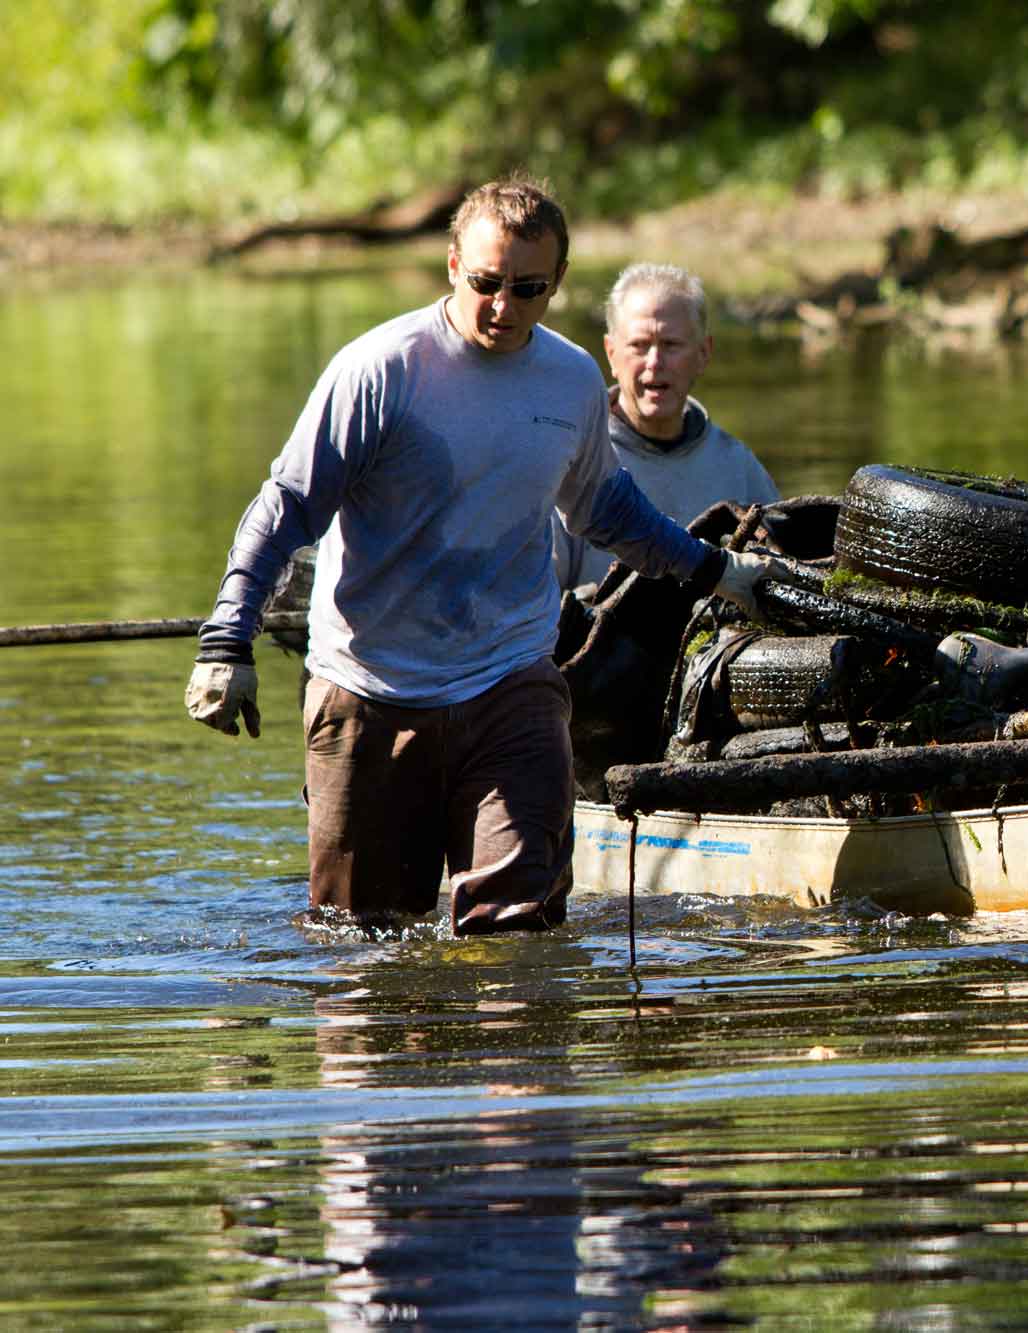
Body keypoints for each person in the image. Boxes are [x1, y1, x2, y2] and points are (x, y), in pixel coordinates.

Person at [183, 174, 774, 936]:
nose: (503, 307)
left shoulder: (568, 382)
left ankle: (514, 1046)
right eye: (488, 283)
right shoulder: (382, 371)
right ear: (453, 264)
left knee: (519, 925)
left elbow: (605, 507)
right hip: (372, 685)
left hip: (510, 679)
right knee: (367, 939)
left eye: (528, 288)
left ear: (559, 281)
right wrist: (226, 642)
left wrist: (718, 571)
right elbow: (285, 507)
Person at [552, 262, 779, 594]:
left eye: (671, 345)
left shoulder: (739, 468)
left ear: (704, 353)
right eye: (640, 345)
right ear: (611, 353)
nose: (655, 362)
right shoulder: (573, 461)